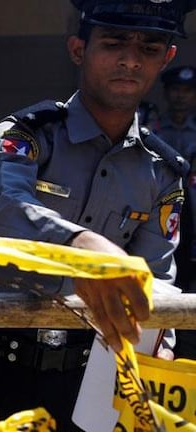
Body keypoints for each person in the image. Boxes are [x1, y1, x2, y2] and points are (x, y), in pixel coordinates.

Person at [0, 0, 193, 430]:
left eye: (149, 49)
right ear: (78, 50)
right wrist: (81, 246)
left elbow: (156, 273)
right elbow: (3, 207)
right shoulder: (27, 135)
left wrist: (161, 337)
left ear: (166, 59)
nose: (130, 60)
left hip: (98, 377)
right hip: (4, 366)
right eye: (113, 44)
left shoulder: (163, 171)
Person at [156, 65, 196, 359]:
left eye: (187, 91)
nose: (181, 97)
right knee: (169, 283)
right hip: (162, 219)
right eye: (176, 91)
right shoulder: (149, 127)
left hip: (194, 220)